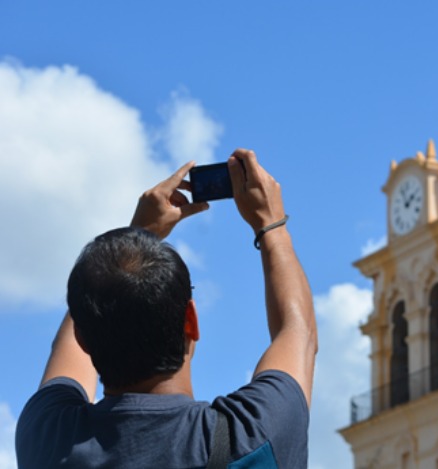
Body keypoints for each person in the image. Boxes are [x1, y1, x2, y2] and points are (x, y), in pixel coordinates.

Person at [15, 149, 317, 468]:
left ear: (83, 337)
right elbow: (299, 331)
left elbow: (297, 333)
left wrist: (135, 239)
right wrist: (272, 224)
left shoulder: (47, 439)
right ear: (191, 321)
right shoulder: (253, 434)